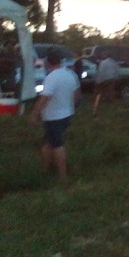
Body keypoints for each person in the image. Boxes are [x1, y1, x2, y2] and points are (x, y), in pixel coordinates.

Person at [29, 48, 80, 181]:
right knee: (47, 142)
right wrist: (70, 106)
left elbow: (44, 98)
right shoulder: (70, 74)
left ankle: (62, 175)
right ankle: (46, 169)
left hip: (54, 117)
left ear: (48, 63)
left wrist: (35, 114)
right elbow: (76, 93)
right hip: (66, 114)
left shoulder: (51, 77)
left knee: (57, 145)